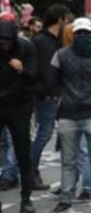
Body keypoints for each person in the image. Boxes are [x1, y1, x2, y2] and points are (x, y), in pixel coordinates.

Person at [49, 17, 91, 213]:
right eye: (80, 33)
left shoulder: (61, 55)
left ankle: (71, 199)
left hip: (78, 113)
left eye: (85, 33)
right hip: (86, 113)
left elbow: (51, 80)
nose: (82, 37)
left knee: (74, 161)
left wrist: (59, 97)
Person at [28, 4, 69, 192]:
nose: (67, 22)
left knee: (45, 133)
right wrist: (48, 93)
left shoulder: (49, 40)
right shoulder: (44, 42)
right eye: (65, 18)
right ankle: (30, 171)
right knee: (44, 134)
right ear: (59, 19)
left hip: (48, 93)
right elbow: (44, 71)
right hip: (47, 96)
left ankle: (30, 171)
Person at [0, 19, 37, 213]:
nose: (4, 45)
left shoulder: (26, 47)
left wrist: (22, 69)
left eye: (7, 42)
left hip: (19, 105)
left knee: (23, 151)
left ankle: (26, 197)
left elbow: (34, 77)